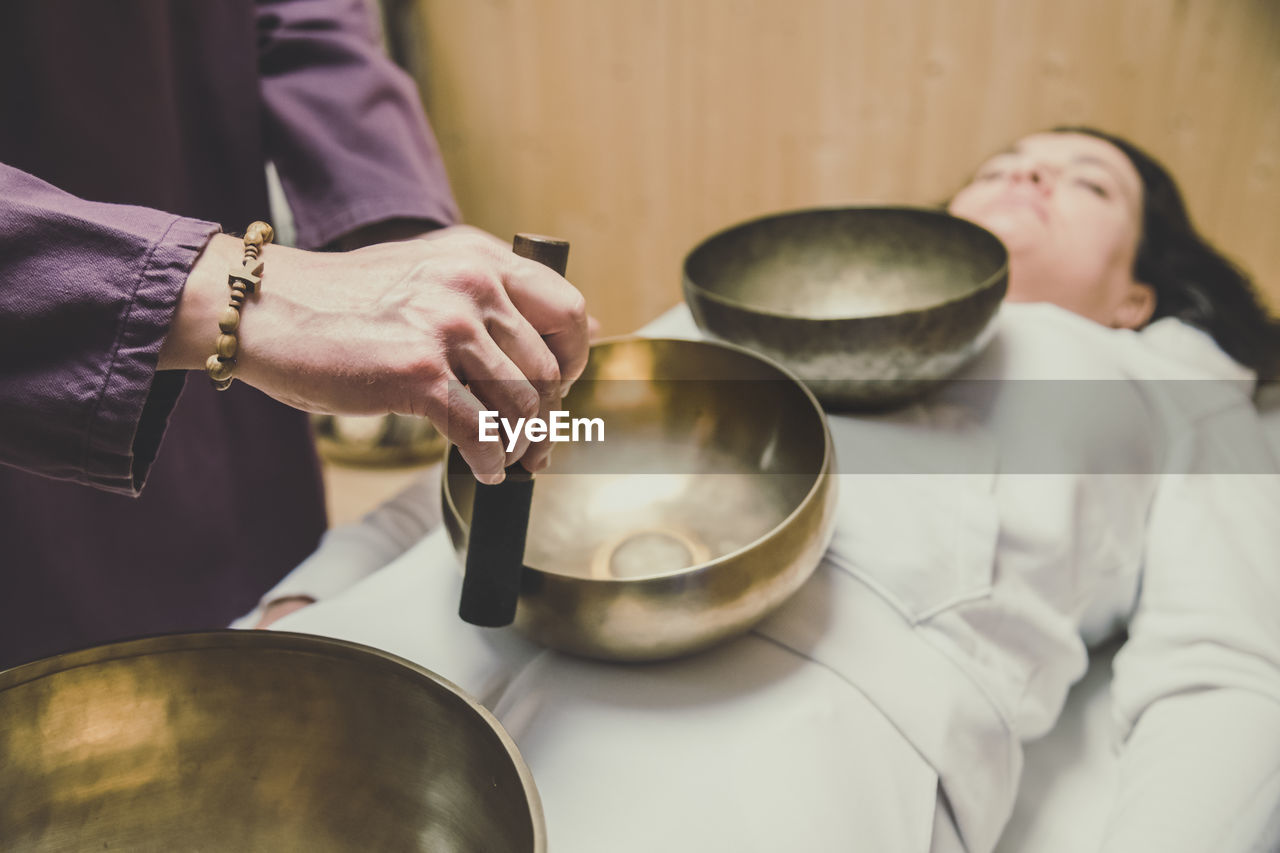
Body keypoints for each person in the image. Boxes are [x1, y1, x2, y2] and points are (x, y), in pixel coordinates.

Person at [248, 126, 1280, 852]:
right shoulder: (728, 316)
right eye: (1003, 164)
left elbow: (1226, 669)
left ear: (1135, 295)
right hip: (443, 614)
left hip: (794, 701)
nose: (1027, 178)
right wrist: (324, 585)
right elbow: (513, 427)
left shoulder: (1169, 386)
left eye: (1084, 181)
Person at [0, 1, 587, 670]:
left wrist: (396, 237)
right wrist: (210, 290)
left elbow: (299, 13)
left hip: (237, 387)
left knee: (279, 659)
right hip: (31, 410)